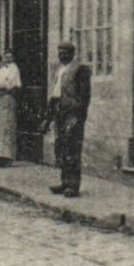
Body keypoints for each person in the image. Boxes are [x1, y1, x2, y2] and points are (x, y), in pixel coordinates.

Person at [45, 40, 92, 198]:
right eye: (59, 52)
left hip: (73, 113)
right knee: (61, 147)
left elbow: (84, 96)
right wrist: (49, 116)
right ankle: (65, 182)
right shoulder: (59, 70)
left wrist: (78, 116)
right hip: (59, 110)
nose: (61, 55)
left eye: (65, 52)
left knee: (72, 147)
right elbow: (55, 93)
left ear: (72, 53)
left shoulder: (80, 69)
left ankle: (73, 185)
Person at [0, 48, 23, 167]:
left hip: (8, 98)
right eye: (5, 57)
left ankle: (8, 157)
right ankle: (0, 156)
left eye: (10, 57)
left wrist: (0, 86)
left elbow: (9, 85)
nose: (7, 59)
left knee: (7, 127)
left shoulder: (14, 69)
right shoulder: (1, 70)